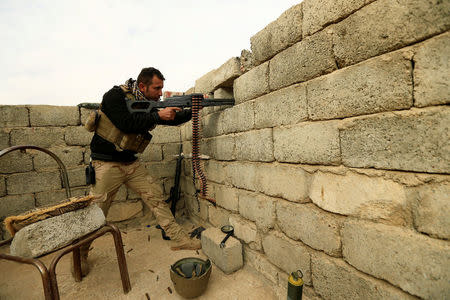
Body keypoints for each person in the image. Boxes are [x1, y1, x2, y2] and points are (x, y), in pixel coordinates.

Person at [77, 67, 200, 277]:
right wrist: (157, 115)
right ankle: (80, 255)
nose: (161, 93)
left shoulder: (150, 105)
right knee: (96, 213)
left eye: (162, 88)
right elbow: (126, 123)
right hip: (106, 164)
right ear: (143, 86)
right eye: (157, 88)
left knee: (156, 198)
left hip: (130, 164)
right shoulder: (114, 96)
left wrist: (193, 109)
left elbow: (171, 118)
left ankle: (179, 239)